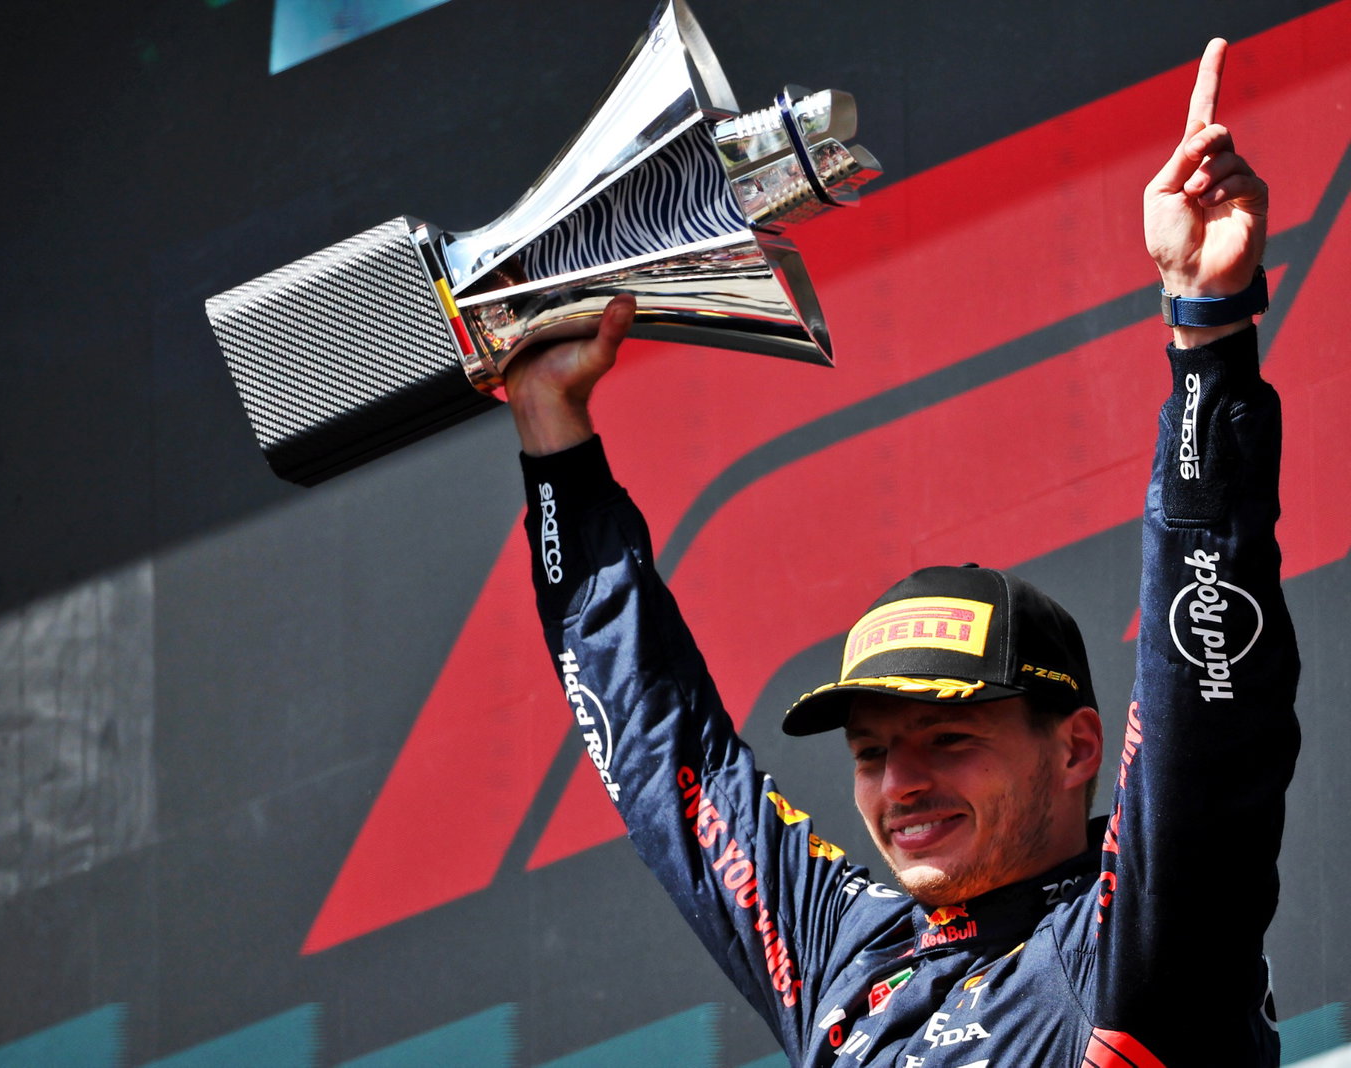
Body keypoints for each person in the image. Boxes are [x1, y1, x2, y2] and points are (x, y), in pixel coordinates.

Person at [506, 38, 1298, 1067]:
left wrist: (1206, 338)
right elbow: (665, 760)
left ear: (1074, 750)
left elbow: (1205, 709)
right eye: (872, 753)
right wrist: (551, 438)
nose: (901, 784)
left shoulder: (1135, 942)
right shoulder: (844, 957)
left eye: (947, 737)